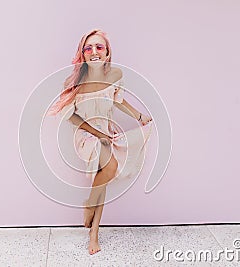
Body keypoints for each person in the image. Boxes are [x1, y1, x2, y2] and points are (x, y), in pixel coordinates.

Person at [48, 29, 152, 255]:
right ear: (82, 54)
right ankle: (89, 207)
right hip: (86, 135)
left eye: (99, 47)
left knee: (102, 179)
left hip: (107, 131)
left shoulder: (115, 76)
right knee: (110, 165)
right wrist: (96, 133)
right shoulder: (73, 80)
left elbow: (119, 102)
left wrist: (139, 116)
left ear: (107, 53)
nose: (94, 51)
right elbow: (71, 116)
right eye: (88, 48)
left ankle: (93, 229)